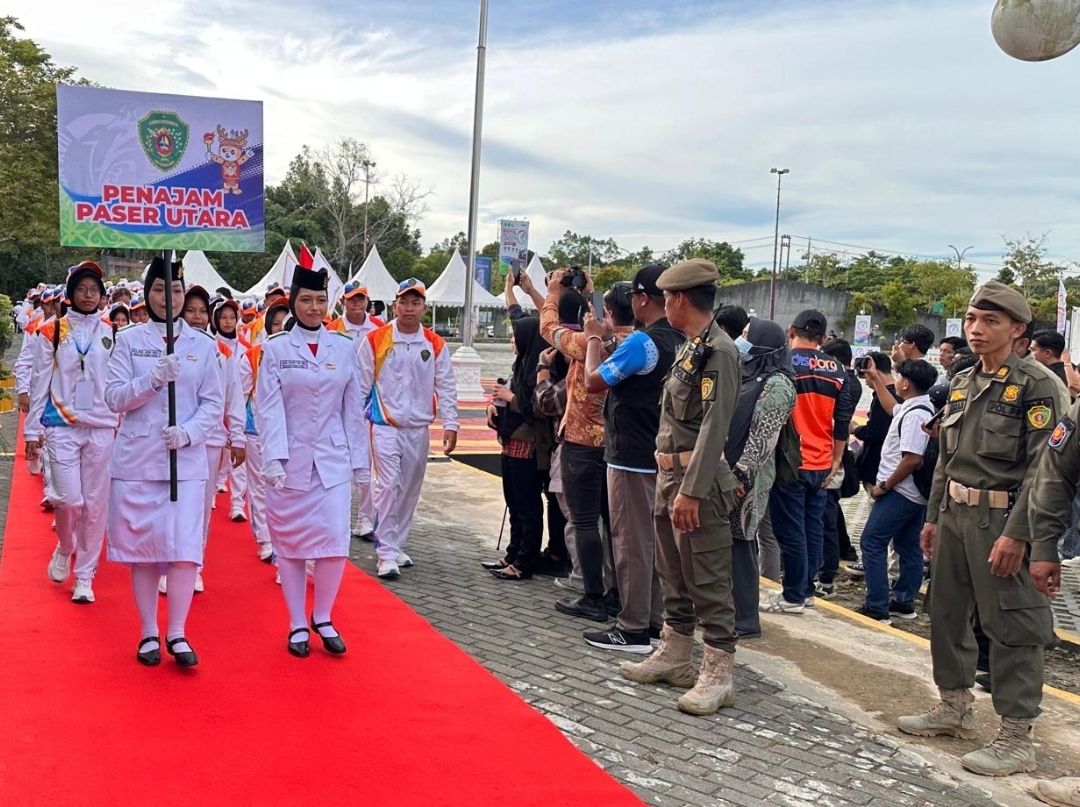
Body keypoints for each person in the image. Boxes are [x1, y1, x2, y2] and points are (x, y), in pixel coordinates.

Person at [897, 281, 1067, 777]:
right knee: (946, 612)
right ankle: (953, 706)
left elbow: (1045, 471)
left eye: (990, 321)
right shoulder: (965, 379)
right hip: (954, 517)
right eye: (972, 319)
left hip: (1005, 520)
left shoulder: (1039, 386)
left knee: (1014, 625)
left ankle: (1017, 737)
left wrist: (1019, 535)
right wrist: (931, 518)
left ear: (1018, 330)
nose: (976, 329)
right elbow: (945, 458)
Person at [620, 259, 741, 716]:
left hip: (697, 484)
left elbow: (714, 427)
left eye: (667, 297)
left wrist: (691, 490)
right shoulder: (692, 348)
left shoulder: (720, 353)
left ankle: (718, 674)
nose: (664, 304)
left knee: (707, 577)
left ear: (679, 299)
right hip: (670, 478)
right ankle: (675, 656)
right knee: (673, 573)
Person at [105, 257, 223, 667]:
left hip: (185, 463)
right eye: (159, 290)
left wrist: (189, 432)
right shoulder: (128, 340)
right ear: (147, 294)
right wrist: (151, 380)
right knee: (145, 550)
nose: (168, 298)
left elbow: (213, 403)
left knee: (184, 549)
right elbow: (115, 397)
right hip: (139, 459)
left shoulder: (204, 346)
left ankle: (178, 632)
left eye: (174, 290)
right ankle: (148, 632)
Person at [257, 262, 369, 657]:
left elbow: (352, 409)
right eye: (306, 300)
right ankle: (296, 622)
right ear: (292, 302)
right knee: (291, 544)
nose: (314, 307)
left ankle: (323, 615)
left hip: (332, 460)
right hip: (289, 462)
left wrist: (360, 463)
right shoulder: (275, 349)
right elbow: (267, 408)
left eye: (321, 300)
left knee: (333, 542)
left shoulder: (343, 347)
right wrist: (272, 458)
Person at [577, 265, 683, 653]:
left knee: (630, 543)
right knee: (654, 544)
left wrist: (592, 341)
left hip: (631, 457)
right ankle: (653, 622)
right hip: (661, 453)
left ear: (642, 300)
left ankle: (633, 626)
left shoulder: (643, 343)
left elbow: (593, 382)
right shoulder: (683, 339)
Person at [24, 262, 117, 604]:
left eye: (94, 290)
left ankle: (85, 576)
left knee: (94, 506)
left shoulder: (113, 332)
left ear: (102, 296)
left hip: (101, 426)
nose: (88, 295)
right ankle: (66, 546)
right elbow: (39, 382)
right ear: (70, 294)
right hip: (61, 423)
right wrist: (32, 431)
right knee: (68, 498)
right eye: (82, 289)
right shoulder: (52, 330)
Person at [357, 278, 459, 581]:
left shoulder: (435, 344)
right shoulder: (375, 340)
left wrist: (451, 424)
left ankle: (397, 544)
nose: (409, 308)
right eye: (404, 302)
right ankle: (386, 552)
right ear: (394, 305)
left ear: (424, 307)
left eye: (416, 303)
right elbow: (360, 386)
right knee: (387, 487)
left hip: (418, 428)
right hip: (384, 426)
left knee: (409, 490)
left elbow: (447, 386)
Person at [540, 268, 626, 621]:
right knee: (617, 525)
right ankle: (618, 593)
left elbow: (548, 329)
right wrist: (590, 294)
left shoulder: (587, 344)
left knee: (586, 521)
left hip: (581, 441)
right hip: (616, 446)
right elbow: (600, 323)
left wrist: (553, 292)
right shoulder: (635, 342)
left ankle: (592, 594)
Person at [761, 309, 848, 614]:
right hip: (822, 462)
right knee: (813, 529)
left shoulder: (782, 361)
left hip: (789, 461)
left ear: (791, 330)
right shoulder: (838, 369)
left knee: (790, 531)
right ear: (824, 338)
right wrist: (837, 459)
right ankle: (807, 590)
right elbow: (843, 418)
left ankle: (794, 595)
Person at [725, 318, 796, 638]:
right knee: (729, 543)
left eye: (746, 336)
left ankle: (745, 619)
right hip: (732, 472)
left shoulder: (779, 384)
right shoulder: (749, 374)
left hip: (749, 476)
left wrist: (740, 475)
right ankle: (729, 611)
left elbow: (763, 438)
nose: (741, 341)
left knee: (742, 542)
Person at [855, 358, 938, 623]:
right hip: (914, 494)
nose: (896, 381)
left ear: (906, 383)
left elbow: (913, 459)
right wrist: (876, 380)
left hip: (900, 491)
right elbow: (893, 409)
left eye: (898, 377)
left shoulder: (916, 416)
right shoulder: (918, 406)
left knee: (872, 541)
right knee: (908, 547)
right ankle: (903, 601)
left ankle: (877, 605)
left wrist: (884, 486)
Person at [485, 314, 547, 581]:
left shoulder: (540, 369)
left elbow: (539, 408)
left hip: (527, 442)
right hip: (511, 440)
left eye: (516, 335)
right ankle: (513, 553)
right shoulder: (520, 364)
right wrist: (496, 403)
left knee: (527, 504)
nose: (512, 340)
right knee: (513, 501)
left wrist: (510, 398)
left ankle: (525, 560)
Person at [327, 281, 382, 541]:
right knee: (337, 460)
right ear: (343, 302)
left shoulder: (380, 330)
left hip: (370, 406)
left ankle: (364, 518)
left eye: (361, 299)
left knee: (366, 463)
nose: (356, 304)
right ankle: (335, 515)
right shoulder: (331, 330)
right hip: (338, 403)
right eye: (351, 299)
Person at [239, 299, 289, 563]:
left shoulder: (297, 356)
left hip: (288, 435)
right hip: (256, 430)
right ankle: (266, 540)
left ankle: (286, 544)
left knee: (284, 489)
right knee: (259, 487)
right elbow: (241, 393)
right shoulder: (252, 355)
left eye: (285, 323)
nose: (281, 328)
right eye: (276, 323)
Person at [816, 338, 860, 595]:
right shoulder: (845, 381)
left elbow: (840, 423)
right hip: (830, 458)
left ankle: (826, 577)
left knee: (826, 522)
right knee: (826, 520)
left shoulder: (843, 383)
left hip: (830, 459)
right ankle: (825, 571)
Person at [211, 297, 249, 523]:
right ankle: (213, 490)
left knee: (237, 458)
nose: (227, 322)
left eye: (231, 317)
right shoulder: (210, 345)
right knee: (218, 456)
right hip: (215, 409)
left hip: (240, 407)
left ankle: (237, 504)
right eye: (223, 317)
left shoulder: (245, 347)